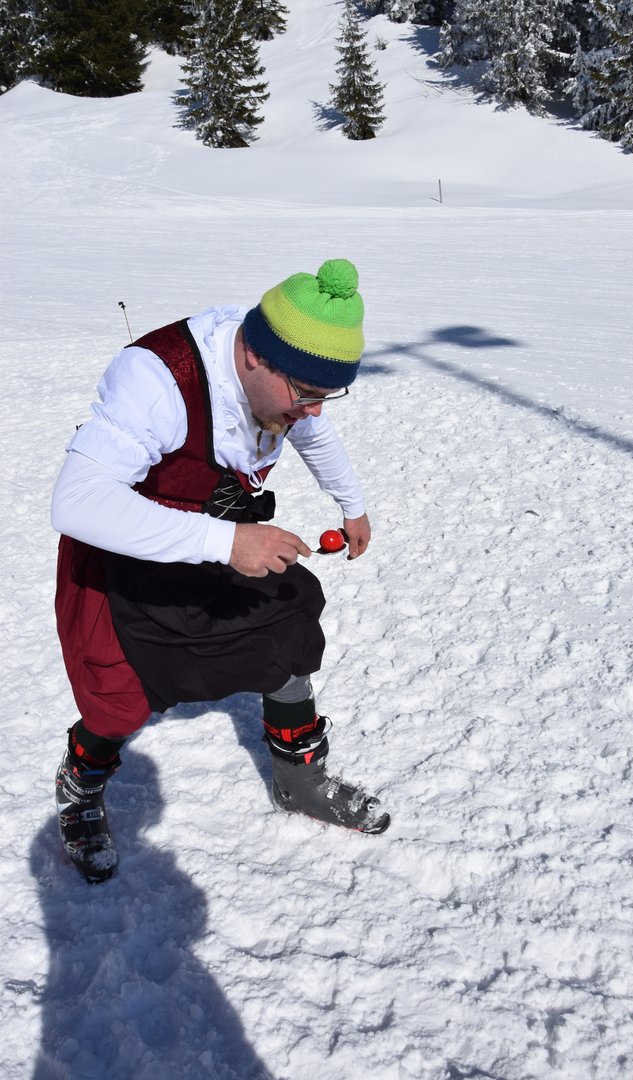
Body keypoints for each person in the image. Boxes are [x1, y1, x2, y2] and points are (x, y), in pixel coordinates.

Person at [51, 258, 390, 885]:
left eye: (325, 396)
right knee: (117, 702)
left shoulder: (280, 371)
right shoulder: (157, 379)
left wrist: (353, 504)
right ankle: (80, 786)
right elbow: (77, 503)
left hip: (222, 537)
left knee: (289, 623)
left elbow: (311, 432)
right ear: (255, 358)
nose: (314, 412)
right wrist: (226, 540)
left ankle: (298, 779)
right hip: (124, 555)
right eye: (305, 394)